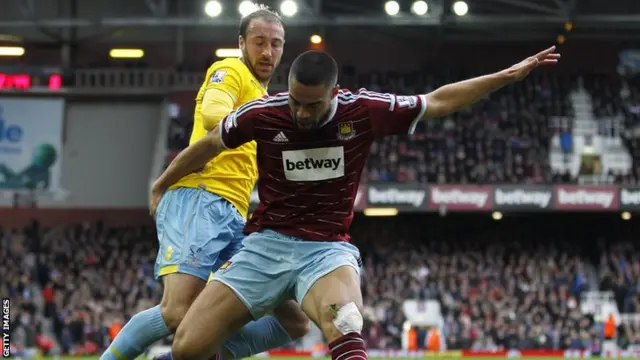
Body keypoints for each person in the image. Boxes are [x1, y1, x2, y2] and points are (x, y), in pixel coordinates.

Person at [150, 47, 560, 360]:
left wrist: (506, 76)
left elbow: (436, 101)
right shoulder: (264, 113)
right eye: (294, 101)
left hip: (326, 250)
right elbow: (208, 145)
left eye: (312, 105)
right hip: (265, 246)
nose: (300, 112)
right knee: (187, 348)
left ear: (334, 93)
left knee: (345, 324)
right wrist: (162, 184)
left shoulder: (363, 111)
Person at [101, 7, 310, 360]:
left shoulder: (264, 97)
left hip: (235, 214)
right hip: (200, 198)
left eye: (276, 44)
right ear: (241, 43)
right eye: (259, 42)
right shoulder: (230, 70)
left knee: (295, 320)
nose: (268, 52)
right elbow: (215, 115)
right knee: (177, 312)